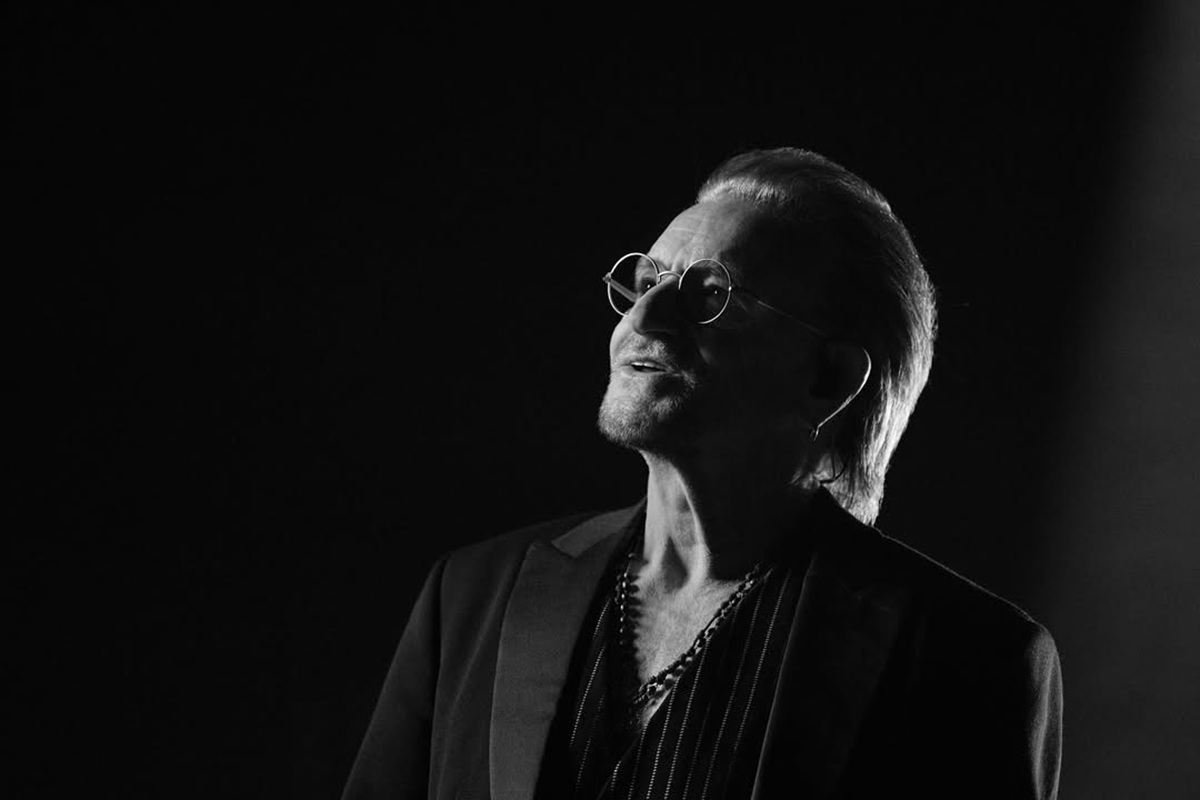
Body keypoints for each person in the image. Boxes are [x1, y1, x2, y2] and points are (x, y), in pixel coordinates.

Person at [342, 148, 1063, 799]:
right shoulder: (472, 596)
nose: (644, 318)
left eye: (709, 293)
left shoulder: (969, 660)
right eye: (646, 280)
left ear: (830, 377)